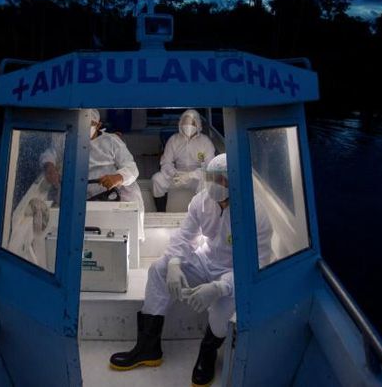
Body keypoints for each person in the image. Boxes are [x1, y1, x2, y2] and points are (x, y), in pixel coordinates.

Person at [109, 154, 275, 387]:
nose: (216, 185)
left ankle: (208, 352)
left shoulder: (256, 215)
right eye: (212, 178)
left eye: (223, 180)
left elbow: (256, 265)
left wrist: (220, 287)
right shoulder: (201, 201)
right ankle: (148, 347)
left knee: (221, 316)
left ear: (237, 182)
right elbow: (184, 236)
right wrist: (175, 263)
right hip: (204, 260)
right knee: (159, 269)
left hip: (232, 273)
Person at [40, 109, 144, 224]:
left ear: (98, 125)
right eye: (79, 123)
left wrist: (118, 178)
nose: (83, 127)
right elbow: (50, 153)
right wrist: (49, 166)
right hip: (81, 197)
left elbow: (132, 169)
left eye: (89, 123)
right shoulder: (65, 139)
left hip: (114, 197)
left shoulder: (112, 141)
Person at [151, 109, 216, 212]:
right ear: (180, 123)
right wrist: (174, 174)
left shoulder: (205, 142)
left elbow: (209, 167)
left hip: (196, 178)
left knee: (207, 182)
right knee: (157, 179)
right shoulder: (174, 140)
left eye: (192, 123)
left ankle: (201, 215)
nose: (188, 126)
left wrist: (190, 175)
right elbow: (166, 162)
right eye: (185, 123)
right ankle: (161, 212)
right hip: (177, 176)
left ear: (198, 124)